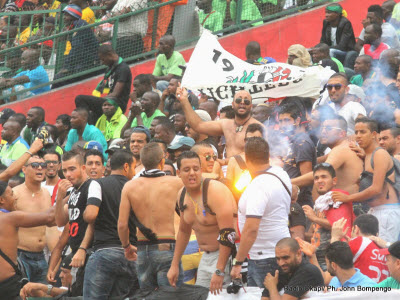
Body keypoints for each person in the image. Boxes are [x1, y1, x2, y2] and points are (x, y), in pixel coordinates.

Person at [168, 151, 237, 293]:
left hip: (225, 257)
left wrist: (219, 270)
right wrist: (174, 264)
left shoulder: (215, 191)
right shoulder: (181, 195)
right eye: (187, 170)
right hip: (205, 257)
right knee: (200, 295)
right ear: (179, 173)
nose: (192, 173)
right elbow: (183, 231)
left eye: (196, 169)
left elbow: (228, 234)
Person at [119, 143, 184, 290]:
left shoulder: (130, 186)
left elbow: (122, 225)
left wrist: (126, 246)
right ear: (162, 161)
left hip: (142, 249)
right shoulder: (176, 183)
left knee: (147, 296)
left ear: (141, 162)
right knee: (171, 296)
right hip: (166, 247)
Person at [230, 137, 291, 288]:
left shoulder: (259, 186)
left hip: (264, 258)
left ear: (246, 159)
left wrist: (238, 263)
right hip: (274, 252)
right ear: (267, 155)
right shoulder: (281, 173)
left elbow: (251, 229)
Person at [332, 117, 400, 243]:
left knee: (384, 255)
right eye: (356, 132)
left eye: (363, 132)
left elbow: (376, 189)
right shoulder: (367, 155)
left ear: (374, 134)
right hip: (374, 212)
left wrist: (347, 198)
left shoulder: (379, 154)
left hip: (387, 213)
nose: (358, 136)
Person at [83, 150, 139, 298]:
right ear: (126, 167)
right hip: (131, 255)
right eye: (134, 168)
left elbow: (90, 214)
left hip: (105, 252)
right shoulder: (135, 187)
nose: (134, 173)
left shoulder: (98, 184)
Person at [292, 116, 364, 207]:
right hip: (346, 205)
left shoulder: (340, 150)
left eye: (329, 128)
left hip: (346, 208)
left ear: (342, 133)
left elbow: (320, 173)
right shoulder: (342, 148)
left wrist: (287, 182)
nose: (323, 132)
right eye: (322, 128)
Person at [0, 181, 54, 300]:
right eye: (11, 194)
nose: (15, 197)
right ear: (1, 200)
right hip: (8, 287)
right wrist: (67, 197)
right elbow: (49, 217)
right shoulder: (10, 218)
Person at [178, 87, 262, 158]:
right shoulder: (225, 124)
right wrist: (184, 101)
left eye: (246, 101)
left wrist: (225, 162)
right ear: (233, 104)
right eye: (238, 100)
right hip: (229, 172)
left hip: (248, 173)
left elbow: (255, 156)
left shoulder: (258, 128)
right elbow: (198, 125)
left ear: (251, 106)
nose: (242, 102)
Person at [54, 150, 94, 295]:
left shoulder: (91, 186)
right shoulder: (74, 191)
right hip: (77, 251)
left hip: (89, 252)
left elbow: (93, 222)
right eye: (64, 170)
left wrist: (83, 249)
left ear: (83, 168)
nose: (68, 174)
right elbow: (59, 220)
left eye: (72, 169)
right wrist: (59, 197)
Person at [303, 163, 354, 271]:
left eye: (324, 177)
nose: (319, 180)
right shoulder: (321, 202)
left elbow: (338, 226)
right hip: (317, 258)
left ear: (334, 181)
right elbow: (316, 233)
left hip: (333, 259)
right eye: (316, 178)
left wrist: (314, 217)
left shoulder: (337, 197)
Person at [13, 156, 54, 283]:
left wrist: (55, 258)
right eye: (35, 165)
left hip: (41, 255)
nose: (40, 168)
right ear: (24, 169)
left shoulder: (47, 193)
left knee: (43, 295)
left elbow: (50, 227)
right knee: (22, 293)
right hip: (21, 255)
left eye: (43, 165)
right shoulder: (15, 194)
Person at [75, 45, 132, 124]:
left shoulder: (123, 68)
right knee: (91, 115)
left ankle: (84, 126)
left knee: (80, 99)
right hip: (109, 101)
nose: (102, 62)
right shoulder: (111, 68)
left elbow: (115, 94)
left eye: (103, 59)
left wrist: (99, 100)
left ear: (109, 55)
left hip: (117, 104)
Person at [330, 214, 389, 283]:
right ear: (376, 234)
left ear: (356, 229)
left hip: (362, 291)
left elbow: (333, 261)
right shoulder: (385, 249)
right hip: (384, 291)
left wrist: (335, 237)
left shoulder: (359, 241)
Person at [52, 5, 99, 89]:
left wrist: (67, 66)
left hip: (90, 62)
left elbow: (77, 48)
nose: (64, 18)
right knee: (59, 78)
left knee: (59, 78)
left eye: (67, 15)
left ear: (74, 16)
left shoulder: (80, 25)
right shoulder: (73, 26)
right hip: (82, 60)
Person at [278, 102, 316, 207]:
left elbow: (307, 178)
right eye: (280, 121)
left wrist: (283, 182)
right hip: (290, 200)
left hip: (300, 203)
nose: (283, 125)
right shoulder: (294, 141)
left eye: (287, 120)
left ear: (298, 121)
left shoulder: (302, 142)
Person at [320, 3, 356, 68]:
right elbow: (323, 41)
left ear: (337, 14)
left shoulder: (345, 23)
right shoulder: (326, 22)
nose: (326, 15)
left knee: (331, 51)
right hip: (330, 49)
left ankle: (332, 69)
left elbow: (342, 46)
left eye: (329, 13)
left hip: (345, 52)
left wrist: (326, 49)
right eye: (326, 13)